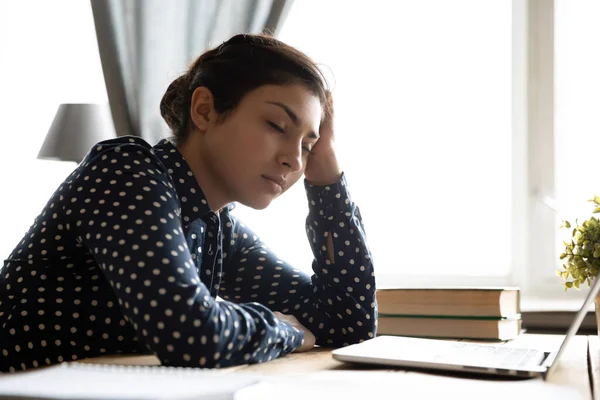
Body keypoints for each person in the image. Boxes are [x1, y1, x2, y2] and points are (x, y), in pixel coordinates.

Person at [0, 33, 377, 373]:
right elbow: (191, 333)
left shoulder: (217, 227)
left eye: (307, 146)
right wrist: (285, 329)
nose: (295, 160)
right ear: (204, 110)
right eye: (277, 126)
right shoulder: (126, 172)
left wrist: (327, 182)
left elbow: (349, 323)